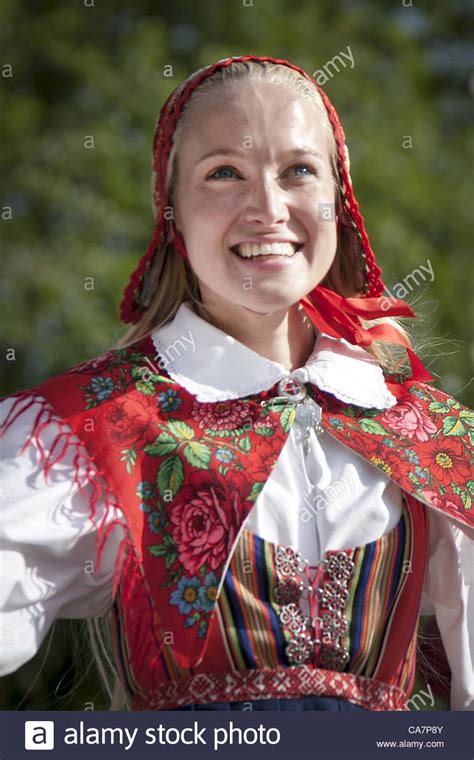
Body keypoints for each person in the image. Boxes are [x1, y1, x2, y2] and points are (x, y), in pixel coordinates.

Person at [0, 55, 472, 713]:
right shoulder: (93, 424)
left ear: (339, 199)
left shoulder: (427, 435)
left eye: (299, 171)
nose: (268, 208)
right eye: (225, 173)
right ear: (171, 210)